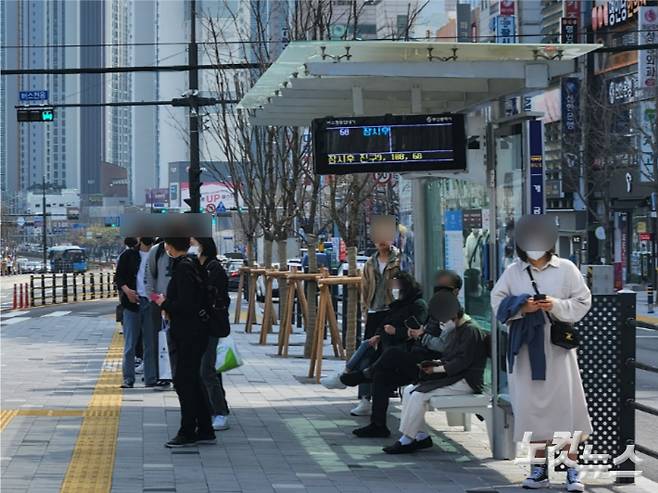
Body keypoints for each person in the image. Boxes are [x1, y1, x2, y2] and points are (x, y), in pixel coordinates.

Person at [491, 214, 592, 492]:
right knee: (532, 411)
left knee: (567, 409)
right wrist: (523, 307)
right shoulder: (513, 272)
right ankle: (538, 470)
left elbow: (583, 301)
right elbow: (497, 302)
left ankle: (573, 469)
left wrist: (555, 305)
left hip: (557, 350)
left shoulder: (567, 268)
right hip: (525, 351)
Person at [383, 292, 487, 454]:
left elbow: (461, 362)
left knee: (418, 395)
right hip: (456, 377)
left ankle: (407, 439)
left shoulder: (470, 331)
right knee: (410, 390)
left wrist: (436, 368)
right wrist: (435, 364)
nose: (443, 324)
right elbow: (451, 357)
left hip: (466, 380)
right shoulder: (460, 328)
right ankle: (420, 435)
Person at [154, 237, 215, 448]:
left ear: (169, 246)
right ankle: (205, 428)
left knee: (183, 381)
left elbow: (186, 305)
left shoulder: (183, 268)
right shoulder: (191, 264)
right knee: (192, 380)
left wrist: (165, 303)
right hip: (195, 332)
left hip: (189, 333)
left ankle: (188, 430)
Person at [321, 270, 427, 390]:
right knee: (367, 351)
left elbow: (418, 329)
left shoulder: (417, 305)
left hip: (402, 345)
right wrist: (378, 335)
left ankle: (344, 377)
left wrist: (396, 331)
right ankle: (350, 383)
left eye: (396, 286)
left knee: (369, 358)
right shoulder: (398, 304)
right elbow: (384, 323)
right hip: (388, 342)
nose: (393, 290)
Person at [355, 218, 400, 416]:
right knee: (367, 354)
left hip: (393, 313)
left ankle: (385, 394)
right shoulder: (370, 264)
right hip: (374, 313)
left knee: (388, 354)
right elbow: (364, 290)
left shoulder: (400, 260)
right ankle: (364, 399)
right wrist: (366, 311)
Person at [191, 237, 232, 432]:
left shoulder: (213, 268)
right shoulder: (201, 265)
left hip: (210, 325)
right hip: (200, 326)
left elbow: (214, 296)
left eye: (194, 243)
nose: (192, 246)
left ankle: (220, 412)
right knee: (208, 369)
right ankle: (214, 408)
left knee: (207, 370)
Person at [116, 237, 158, 388]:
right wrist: (127, 292)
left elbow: (159, 282)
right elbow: (119, 277)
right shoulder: (128, 255)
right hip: (131, 303)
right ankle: (128, 379)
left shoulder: (157, 255)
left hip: (151, 303)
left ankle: (150, 378)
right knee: (130, 344)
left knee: (150, 344)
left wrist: (154, 298)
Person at [146, 238, 174, 387]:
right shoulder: (156, 251)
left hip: (181, 305)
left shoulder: (189, 251)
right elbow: (148, 284)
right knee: (158, 340)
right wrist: (159, 301)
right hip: (158, 304)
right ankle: (161, 375)